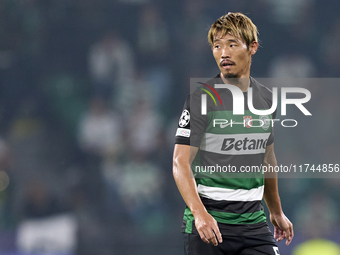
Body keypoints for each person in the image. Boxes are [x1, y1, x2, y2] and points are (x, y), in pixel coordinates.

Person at [173, 12, 294, 255]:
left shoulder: (266, 99)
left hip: (254, 226)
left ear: (252, 47)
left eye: (231, 44)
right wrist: (200, 215)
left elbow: (267, 159)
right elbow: (179, 162)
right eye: (217, 46)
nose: (224, 53)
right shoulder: (201, 100)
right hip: (211, 224)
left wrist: (276, 211)